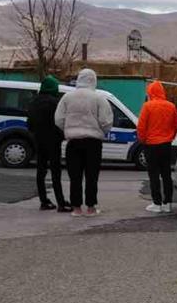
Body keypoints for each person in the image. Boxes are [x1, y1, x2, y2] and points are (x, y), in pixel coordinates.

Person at [54, 68, 113, 217]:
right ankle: (91, 208)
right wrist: (101, 131)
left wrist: (69, 128)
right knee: (92, 176)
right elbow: (106, 121)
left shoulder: (67, 97)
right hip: (93, 142)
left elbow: (58, 119)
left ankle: (76, 208)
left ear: (79, 79)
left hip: (73, 142)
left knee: (75, 177)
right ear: (93, 80)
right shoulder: (99, 98)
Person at [26, 75, 71, 212]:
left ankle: (44, 201)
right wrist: (62, 135)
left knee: (41, 170)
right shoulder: (56, 103)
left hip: (39, 139)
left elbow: (29, 123)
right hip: (54, 141)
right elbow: (61, 121)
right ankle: (61, 203)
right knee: (55, 172)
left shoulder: (33, 102)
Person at [136, 80, 177, 213]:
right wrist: (170, 137)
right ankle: (168, 203)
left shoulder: (148, 106)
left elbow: (141, 127)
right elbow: (176, 125)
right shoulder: (171, 106)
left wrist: (143, 140)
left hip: (151, 145)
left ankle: (157, 203)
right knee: (166, 174)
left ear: (151, 92)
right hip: (166, 145)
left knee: (154, 175)